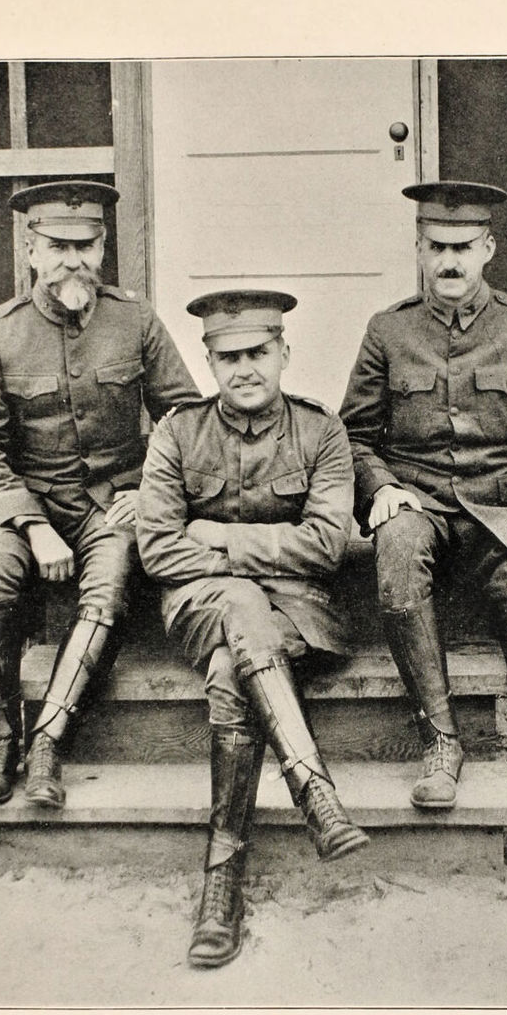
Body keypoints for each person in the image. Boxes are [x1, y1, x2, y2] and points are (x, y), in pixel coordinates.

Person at [339, 180, 507, 902]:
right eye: (436, 248)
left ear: (487, 249)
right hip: (420, 503)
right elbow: (353, 436)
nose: (449, 261)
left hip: (505, 519)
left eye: (462, 248)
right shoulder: (388, 330)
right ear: (419, 250)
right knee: (393, 549)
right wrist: (380, 487)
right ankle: (442, 739)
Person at [0, 180, 201, 809]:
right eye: (57, 246)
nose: (73, 260)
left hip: (110, 501)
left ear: (103, 247)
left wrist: (148, 490)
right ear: (31, 250)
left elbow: (187, 421)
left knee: (111, 580)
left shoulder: (135, 320)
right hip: (20, 503)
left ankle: (48, 742)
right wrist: (31, 527)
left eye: (85, 245)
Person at [136, 289, 368, 967]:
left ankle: (221, 882)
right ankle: (314, 791)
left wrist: (218, 535)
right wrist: (261, 549)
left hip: (302, 611)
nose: (244, 368)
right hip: (199, 604)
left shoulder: (322, 432)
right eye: (228, 356)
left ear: (284, 354)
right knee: (237, 601)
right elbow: (156, 548)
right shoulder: (176, 433)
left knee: (230, 664)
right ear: (208, 361)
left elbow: (326, 545)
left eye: (258, 353)